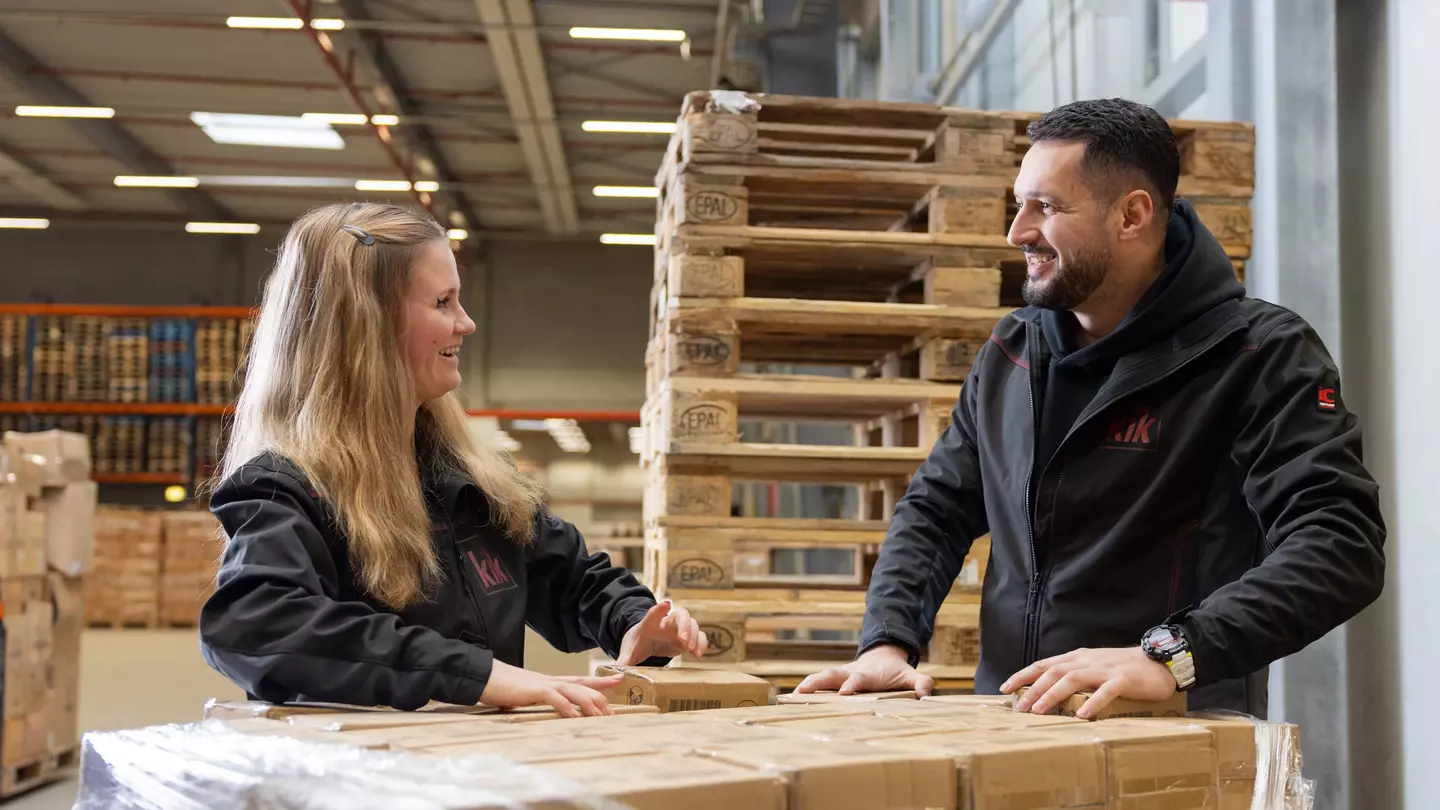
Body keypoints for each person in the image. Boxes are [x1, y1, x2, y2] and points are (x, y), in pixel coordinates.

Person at [796, 98, 1386, 717]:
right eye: (1018, 204)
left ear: (1131, 215)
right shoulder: (1012, 351)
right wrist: (888, 642)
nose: (1017, 231)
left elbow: (1338, 544)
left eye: (1045, 208)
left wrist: (1173, 655)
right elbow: (937, 509)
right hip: (1012, 728)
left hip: (1174, 742)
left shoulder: (1257, 355)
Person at [199, 202, 706, 716]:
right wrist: (473, 674)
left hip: (474, 773)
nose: (466, 323)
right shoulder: (284, 487)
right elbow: (255, 625)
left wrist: (637, 619)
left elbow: (572, 578)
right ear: (367, 327)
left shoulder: (470, 483)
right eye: (443, 302)